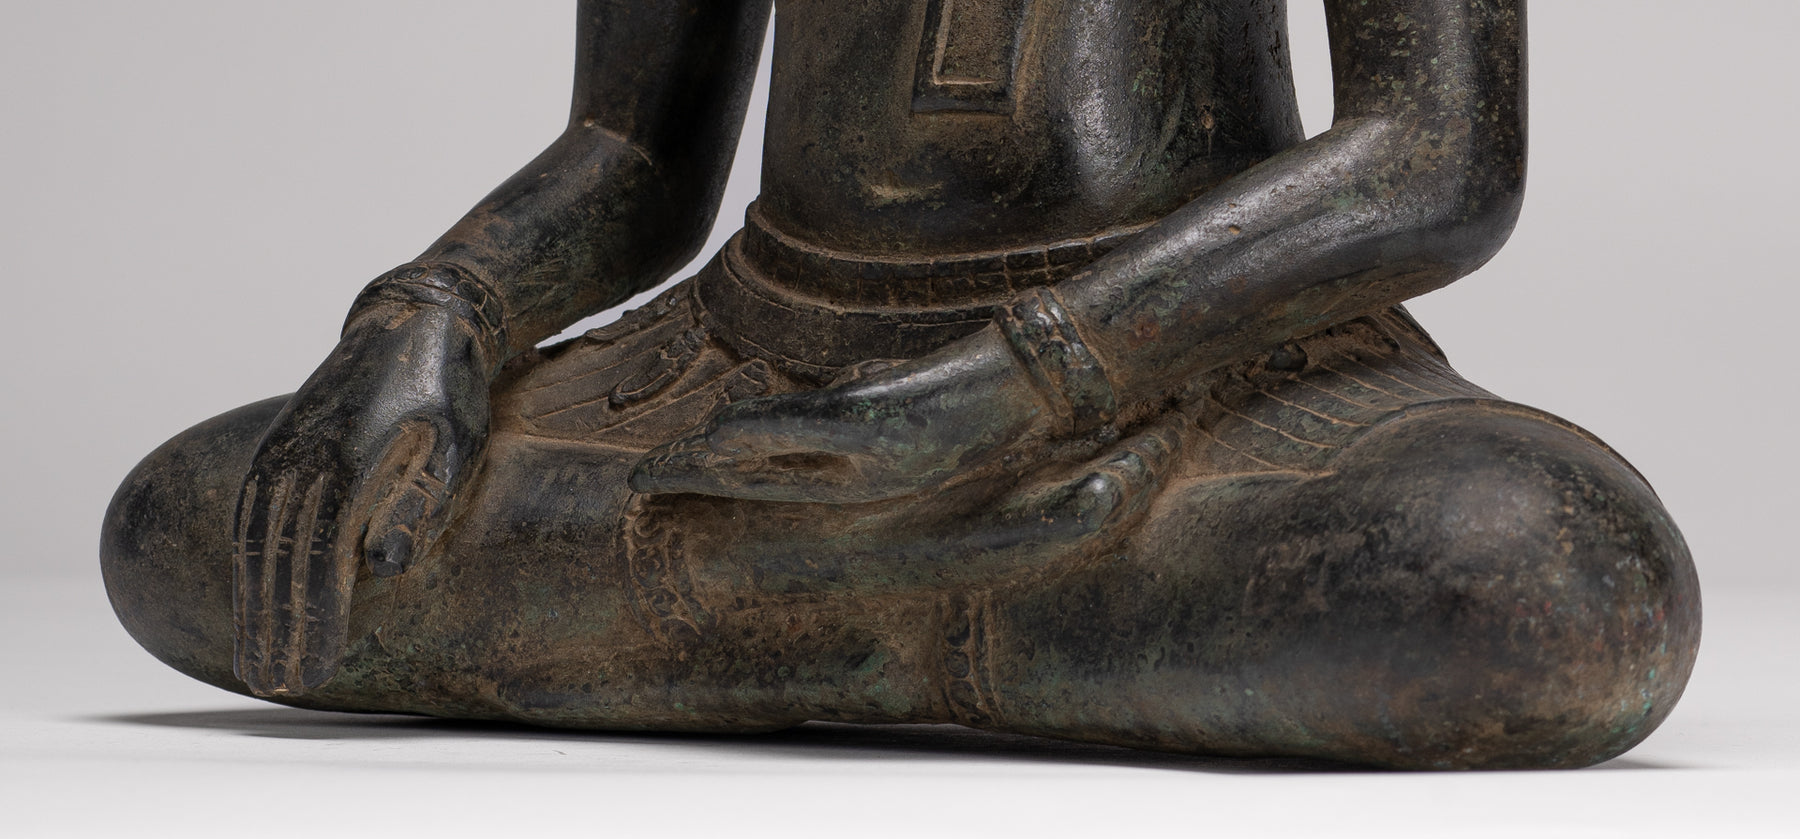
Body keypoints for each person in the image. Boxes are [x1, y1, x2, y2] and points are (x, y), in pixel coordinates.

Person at [102, 0, 1699, 769]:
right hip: (758, 366)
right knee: (210, 528)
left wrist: (1026, 380)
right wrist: (438, 313)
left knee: (1549, 577)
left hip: (1184, 363)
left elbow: (1437, 152)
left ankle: (769, 596)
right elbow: (631, 146)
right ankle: (912, 585)